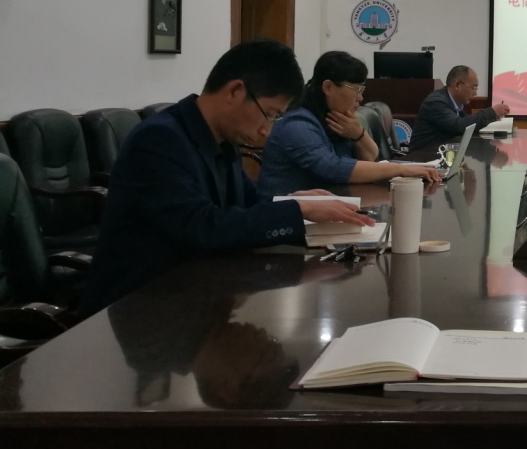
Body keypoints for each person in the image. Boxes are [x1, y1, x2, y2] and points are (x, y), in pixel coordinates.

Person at [81, 40, 374, 315]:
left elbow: (248, 200)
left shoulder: (220, 137)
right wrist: (296, 211)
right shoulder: (160, 140)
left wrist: (296, 201)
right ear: (235, 91)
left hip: (196, 292)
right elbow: (204, 227)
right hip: (139, 307)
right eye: (270, 114)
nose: (267, 130)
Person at [256, 50, 442, 197]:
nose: (360, 98)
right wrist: (401, 170)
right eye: (356, 89)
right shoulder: (297, 123)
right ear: (328, 87)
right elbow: (334, 168)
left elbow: (369, 159)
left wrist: (358, 134)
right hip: (283, 218)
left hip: (327, 206)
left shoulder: (335, 117)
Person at [409, 65, 509, 149]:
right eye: (473, 87)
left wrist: (493, 118)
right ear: (457, 85)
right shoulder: (436, 102)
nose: (475, 93)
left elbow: (469, 126)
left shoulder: (455, 104)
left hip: (439, 157)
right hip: (421, 158)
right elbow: (459, 126)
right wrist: (491, 112)